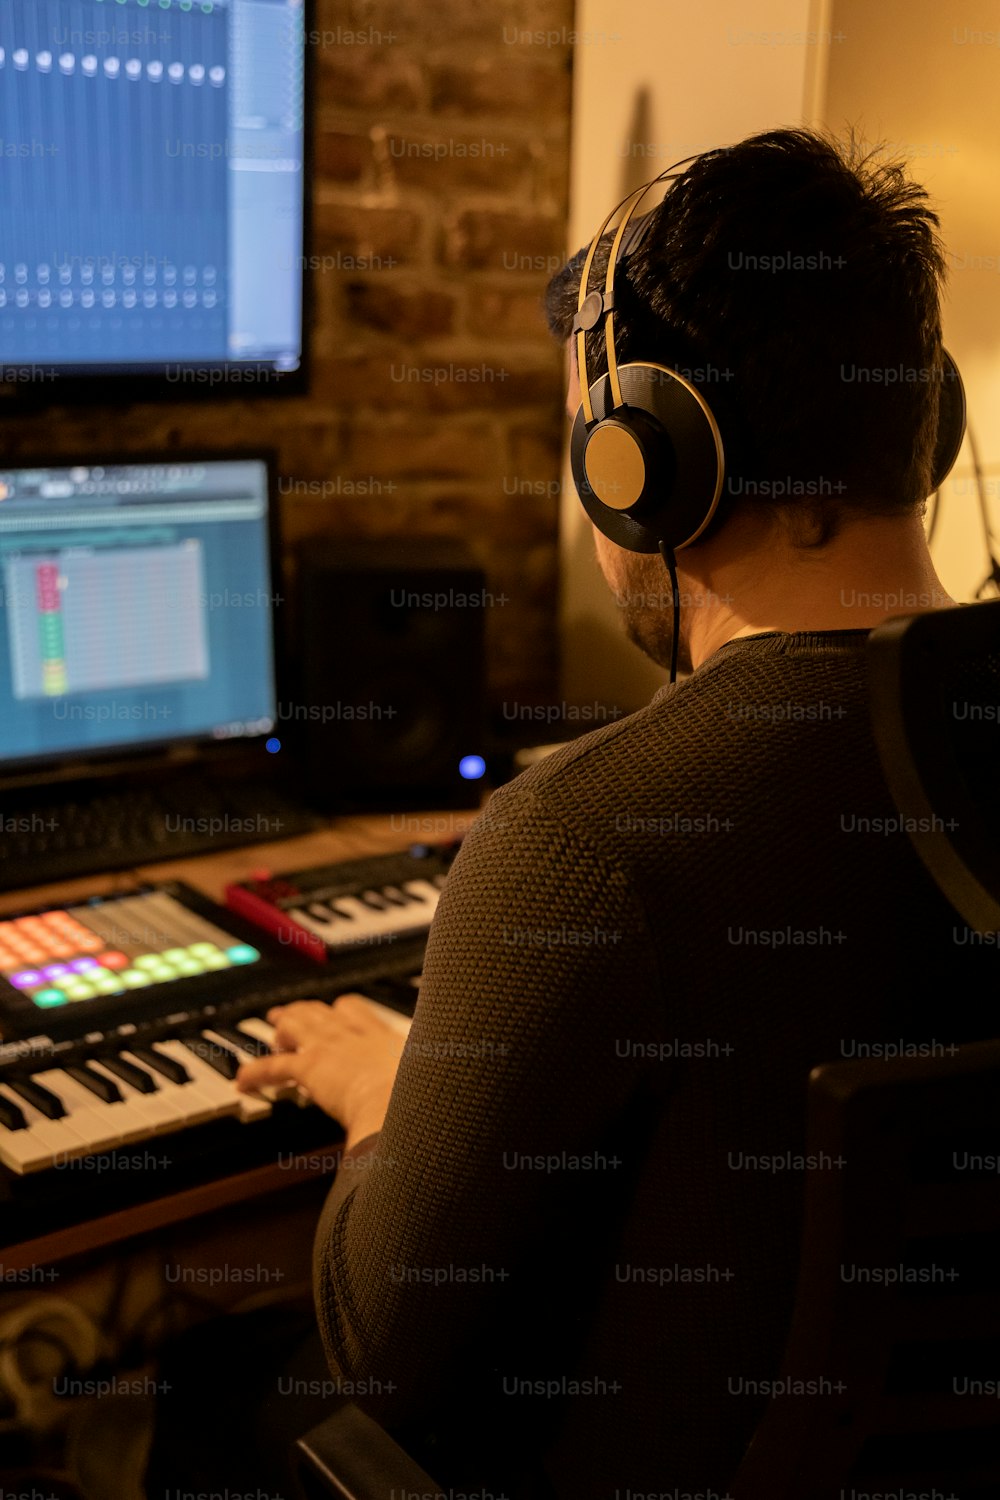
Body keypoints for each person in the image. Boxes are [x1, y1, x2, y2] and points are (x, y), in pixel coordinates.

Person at [220, 128, 988, 1497]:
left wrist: (383, 1098)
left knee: (231, 1400)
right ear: (923, 419)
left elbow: (382, 1344)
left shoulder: (586, 844)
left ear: (647, 462)